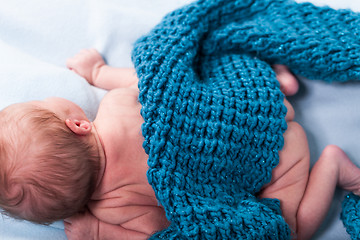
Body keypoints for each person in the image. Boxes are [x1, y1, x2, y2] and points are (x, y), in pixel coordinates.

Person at [0, 49, 359, 240]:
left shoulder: (114, 209)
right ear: (78, 124)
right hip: (255, 104)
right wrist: (97, 74)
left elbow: (161, 230)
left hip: (280, 163)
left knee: (287, 229)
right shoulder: (116, 107)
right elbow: (156, 80)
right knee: (210, 65)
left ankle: (333, 166)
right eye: (46, 101)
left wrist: (98, 233)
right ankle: (277, 75)